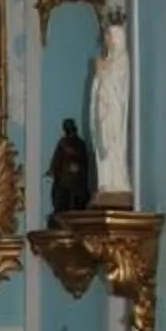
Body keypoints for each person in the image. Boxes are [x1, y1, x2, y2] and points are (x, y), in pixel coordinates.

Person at [89, 11, 132, 201]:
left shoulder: (121, 60)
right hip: (104, 111)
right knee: (104, 146)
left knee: (113, 144)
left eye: (108, 35)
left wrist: (102, 71)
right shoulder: (109, 60)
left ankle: (117, 181)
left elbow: (116, 86)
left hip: (113, 110)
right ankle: (106, 181)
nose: (105, 39)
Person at [47, 116, 92, 219]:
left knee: (75, 195)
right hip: (64, 177)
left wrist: (77, 167)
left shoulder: (80, 144)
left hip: (76, 178)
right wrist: (52, 169)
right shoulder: (62, 142)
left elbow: (84, 160)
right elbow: (57, 158)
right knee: (60, 193)